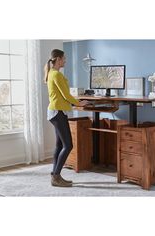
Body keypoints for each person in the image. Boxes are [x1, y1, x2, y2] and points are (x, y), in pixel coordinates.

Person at [44, 49, 89, 187]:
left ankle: (54, 175)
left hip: (55, 111)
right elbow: (66, 95)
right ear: (58, 59)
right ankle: (56, 176)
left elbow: (63, 95)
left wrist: (75, 102)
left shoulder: (52, 73)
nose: (65, 61)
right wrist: (79, 103)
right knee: (68, 145)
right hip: (57, 112)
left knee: (59, 145)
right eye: (64, 58)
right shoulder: (56, 74)